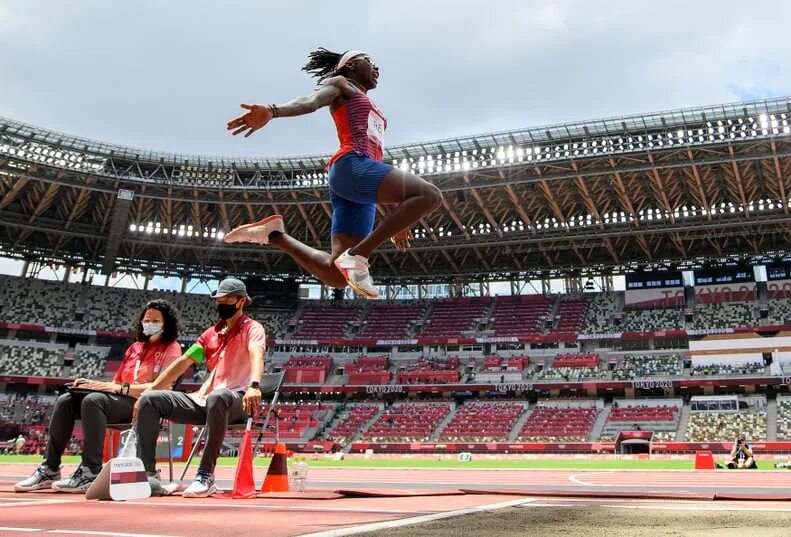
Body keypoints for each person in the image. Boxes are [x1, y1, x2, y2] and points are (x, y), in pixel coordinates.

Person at [224, 48, 443, 299]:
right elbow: (310, 101)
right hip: (351, 166)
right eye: (369, 61)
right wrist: (273, 111)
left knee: (337, 276)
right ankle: (358, 256)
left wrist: (398, 216)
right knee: (430, 195)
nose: (377, 68)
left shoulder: (370, 103)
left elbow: (378, 171)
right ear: (349, 66)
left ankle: (275, 234)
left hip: (361, 183)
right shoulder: (342, 84)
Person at [14, 299, 182, 493]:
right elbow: (116, 383)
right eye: (146, 319)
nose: (149, 323)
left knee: (94, 401)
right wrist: (93, 384)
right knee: (66, 400)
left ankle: (90, 471)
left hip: (145, 404)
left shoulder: (172, 348)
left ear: (166, 323)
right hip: (119, 399)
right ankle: (49, 468)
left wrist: (119, 389)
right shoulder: (135, 348)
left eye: (155, 320)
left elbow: (163, 387)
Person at [133, 278, 266, 498]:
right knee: (151, 400)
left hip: (237, 400)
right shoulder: (210, 334)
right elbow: (182, 363)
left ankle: (205, 475)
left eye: (228, 298)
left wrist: (254, 386)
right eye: (219, 298)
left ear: (241, 301)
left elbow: (257, 355)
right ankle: (148, 474)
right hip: (204, 400)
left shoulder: (253, 329)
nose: (222, 302)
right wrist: (148, 391)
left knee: (218, 396)